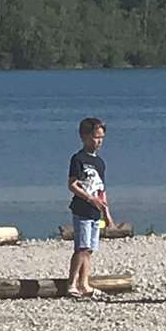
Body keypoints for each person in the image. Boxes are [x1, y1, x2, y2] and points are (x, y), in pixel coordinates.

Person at [66, 117, 111, 299]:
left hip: (95, 212)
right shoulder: (78, 159)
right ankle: (72, 283)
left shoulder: (100, 162)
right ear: (84, 137)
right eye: (95, 137)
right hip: (82, 209)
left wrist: (107, 213)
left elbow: (102, 189)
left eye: (101, 138)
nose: (98, 141)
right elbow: (72, 184)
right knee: (81, 247)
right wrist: (89, 199)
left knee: (90, 248)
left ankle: (84, 283)